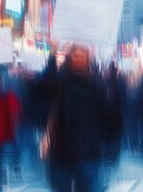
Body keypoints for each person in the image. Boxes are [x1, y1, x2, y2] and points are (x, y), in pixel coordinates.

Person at [42, 45, 107, 192]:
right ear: (69, 58)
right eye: (75, 56)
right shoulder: (60, 81)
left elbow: (107, 114)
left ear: (88, 59)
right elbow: (44, 86)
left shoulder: (97, 84)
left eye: (82, 56)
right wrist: (52, 56)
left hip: (88, 150)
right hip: (60, 150)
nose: (79, 59)